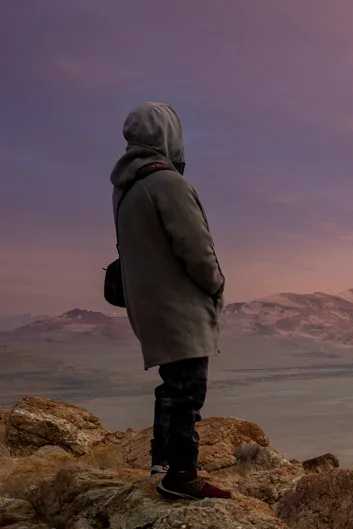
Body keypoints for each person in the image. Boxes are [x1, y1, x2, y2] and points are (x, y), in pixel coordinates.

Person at [110, 102, 231, 500]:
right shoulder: (168, 184)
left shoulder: (127, 187)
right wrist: (215, 284)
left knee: (173, 385)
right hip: (179, 305)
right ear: (168, 136)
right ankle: (181, 475)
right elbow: (196, 248)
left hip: (151, 303)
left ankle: (162, 460)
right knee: (188, 390)